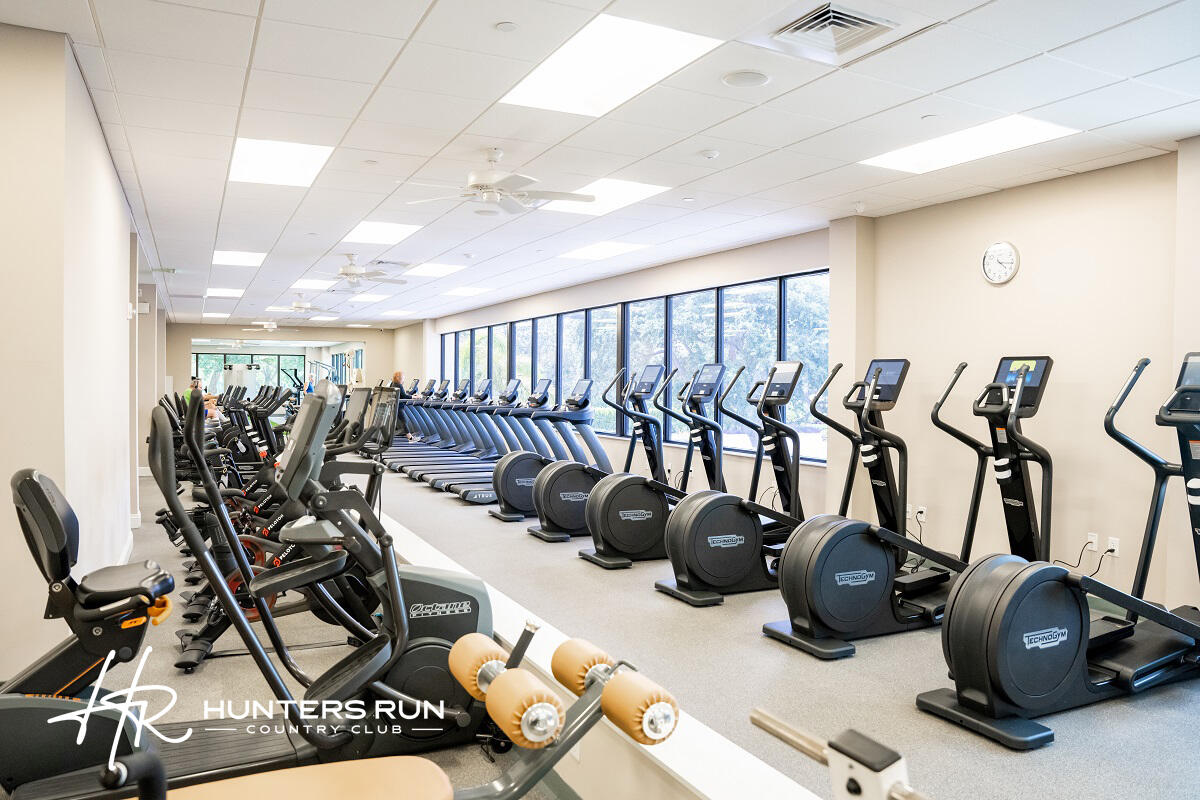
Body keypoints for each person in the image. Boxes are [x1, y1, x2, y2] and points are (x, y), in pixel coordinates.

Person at [391, 371, 414, 438]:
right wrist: (413, 397)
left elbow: (402, 395)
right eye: (403, 378)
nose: (404, 380)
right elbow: (404, 396)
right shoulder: (399, 385)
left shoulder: (393, 384)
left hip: (396, 405)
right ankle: (410, 437)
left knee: (401, 420)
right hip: (399, 406)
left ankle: (409, 436)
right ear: (399, 378)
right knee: (404, 421)